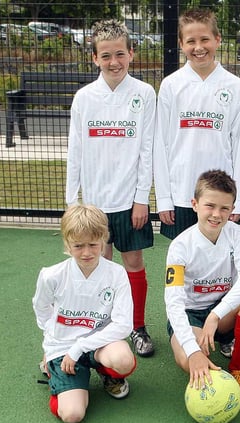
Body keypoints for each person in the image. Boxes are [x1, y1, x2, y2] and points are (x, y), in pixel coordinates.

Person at [65, 19, 156, 357]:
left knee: (133, 262)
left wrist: (140, 199)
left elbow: (146, 149)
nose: (114, 62)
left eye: (120, 53)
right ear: (95, 59)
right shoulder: (84, 98)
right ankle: (100, 327)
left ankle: (138, 327)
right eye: (106, 56)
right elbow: (75, 151)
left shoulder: (144, 94)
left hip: (129, 203)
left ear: (131, 53)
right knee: (98, 264)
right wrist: (71, 202)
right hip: (94, 204)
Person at [164, 170, 240, 407]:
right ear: (195, 204)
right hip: (192, 316)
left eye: (224, 208)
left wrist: (216, 314)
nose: (217, 215)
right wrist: (192, 350)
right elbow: (174, 302)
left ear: (231, 209)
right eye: (210, 206)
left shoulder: (238, 236)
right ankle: (218, 371)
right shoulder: (180, 246)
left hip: (223, 313)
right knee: (190, 361)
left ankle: (239, 369)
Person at [33, 204, 136, 423]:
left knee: (124, 360)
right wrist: (52, 337)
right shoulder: (51, 275)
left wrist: (80, 347)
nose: (87, 252)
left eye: (93, 244)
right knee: (72, 415)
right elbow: (41, 307)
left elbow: (124, 325)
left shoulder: (116, 274)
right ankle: (54, 372)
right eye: (78, 246)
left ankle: (106, 373)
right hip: (63, 348)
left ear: (104, 240)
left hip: (99, 344)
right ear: (67, 244)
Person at [153, 8, 240, 240]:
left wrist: (239, 200)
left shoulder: (233, 86)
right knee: (181, 260)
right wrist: (164, 198)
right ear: (180, 43)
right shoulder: (171, 85)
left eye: (205, 39)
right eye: (191, 41)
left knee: (219, 259)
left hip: (221, 197)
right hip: (181, 193)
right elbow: (160, 145)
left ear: (217, 39)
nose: (198, 47)